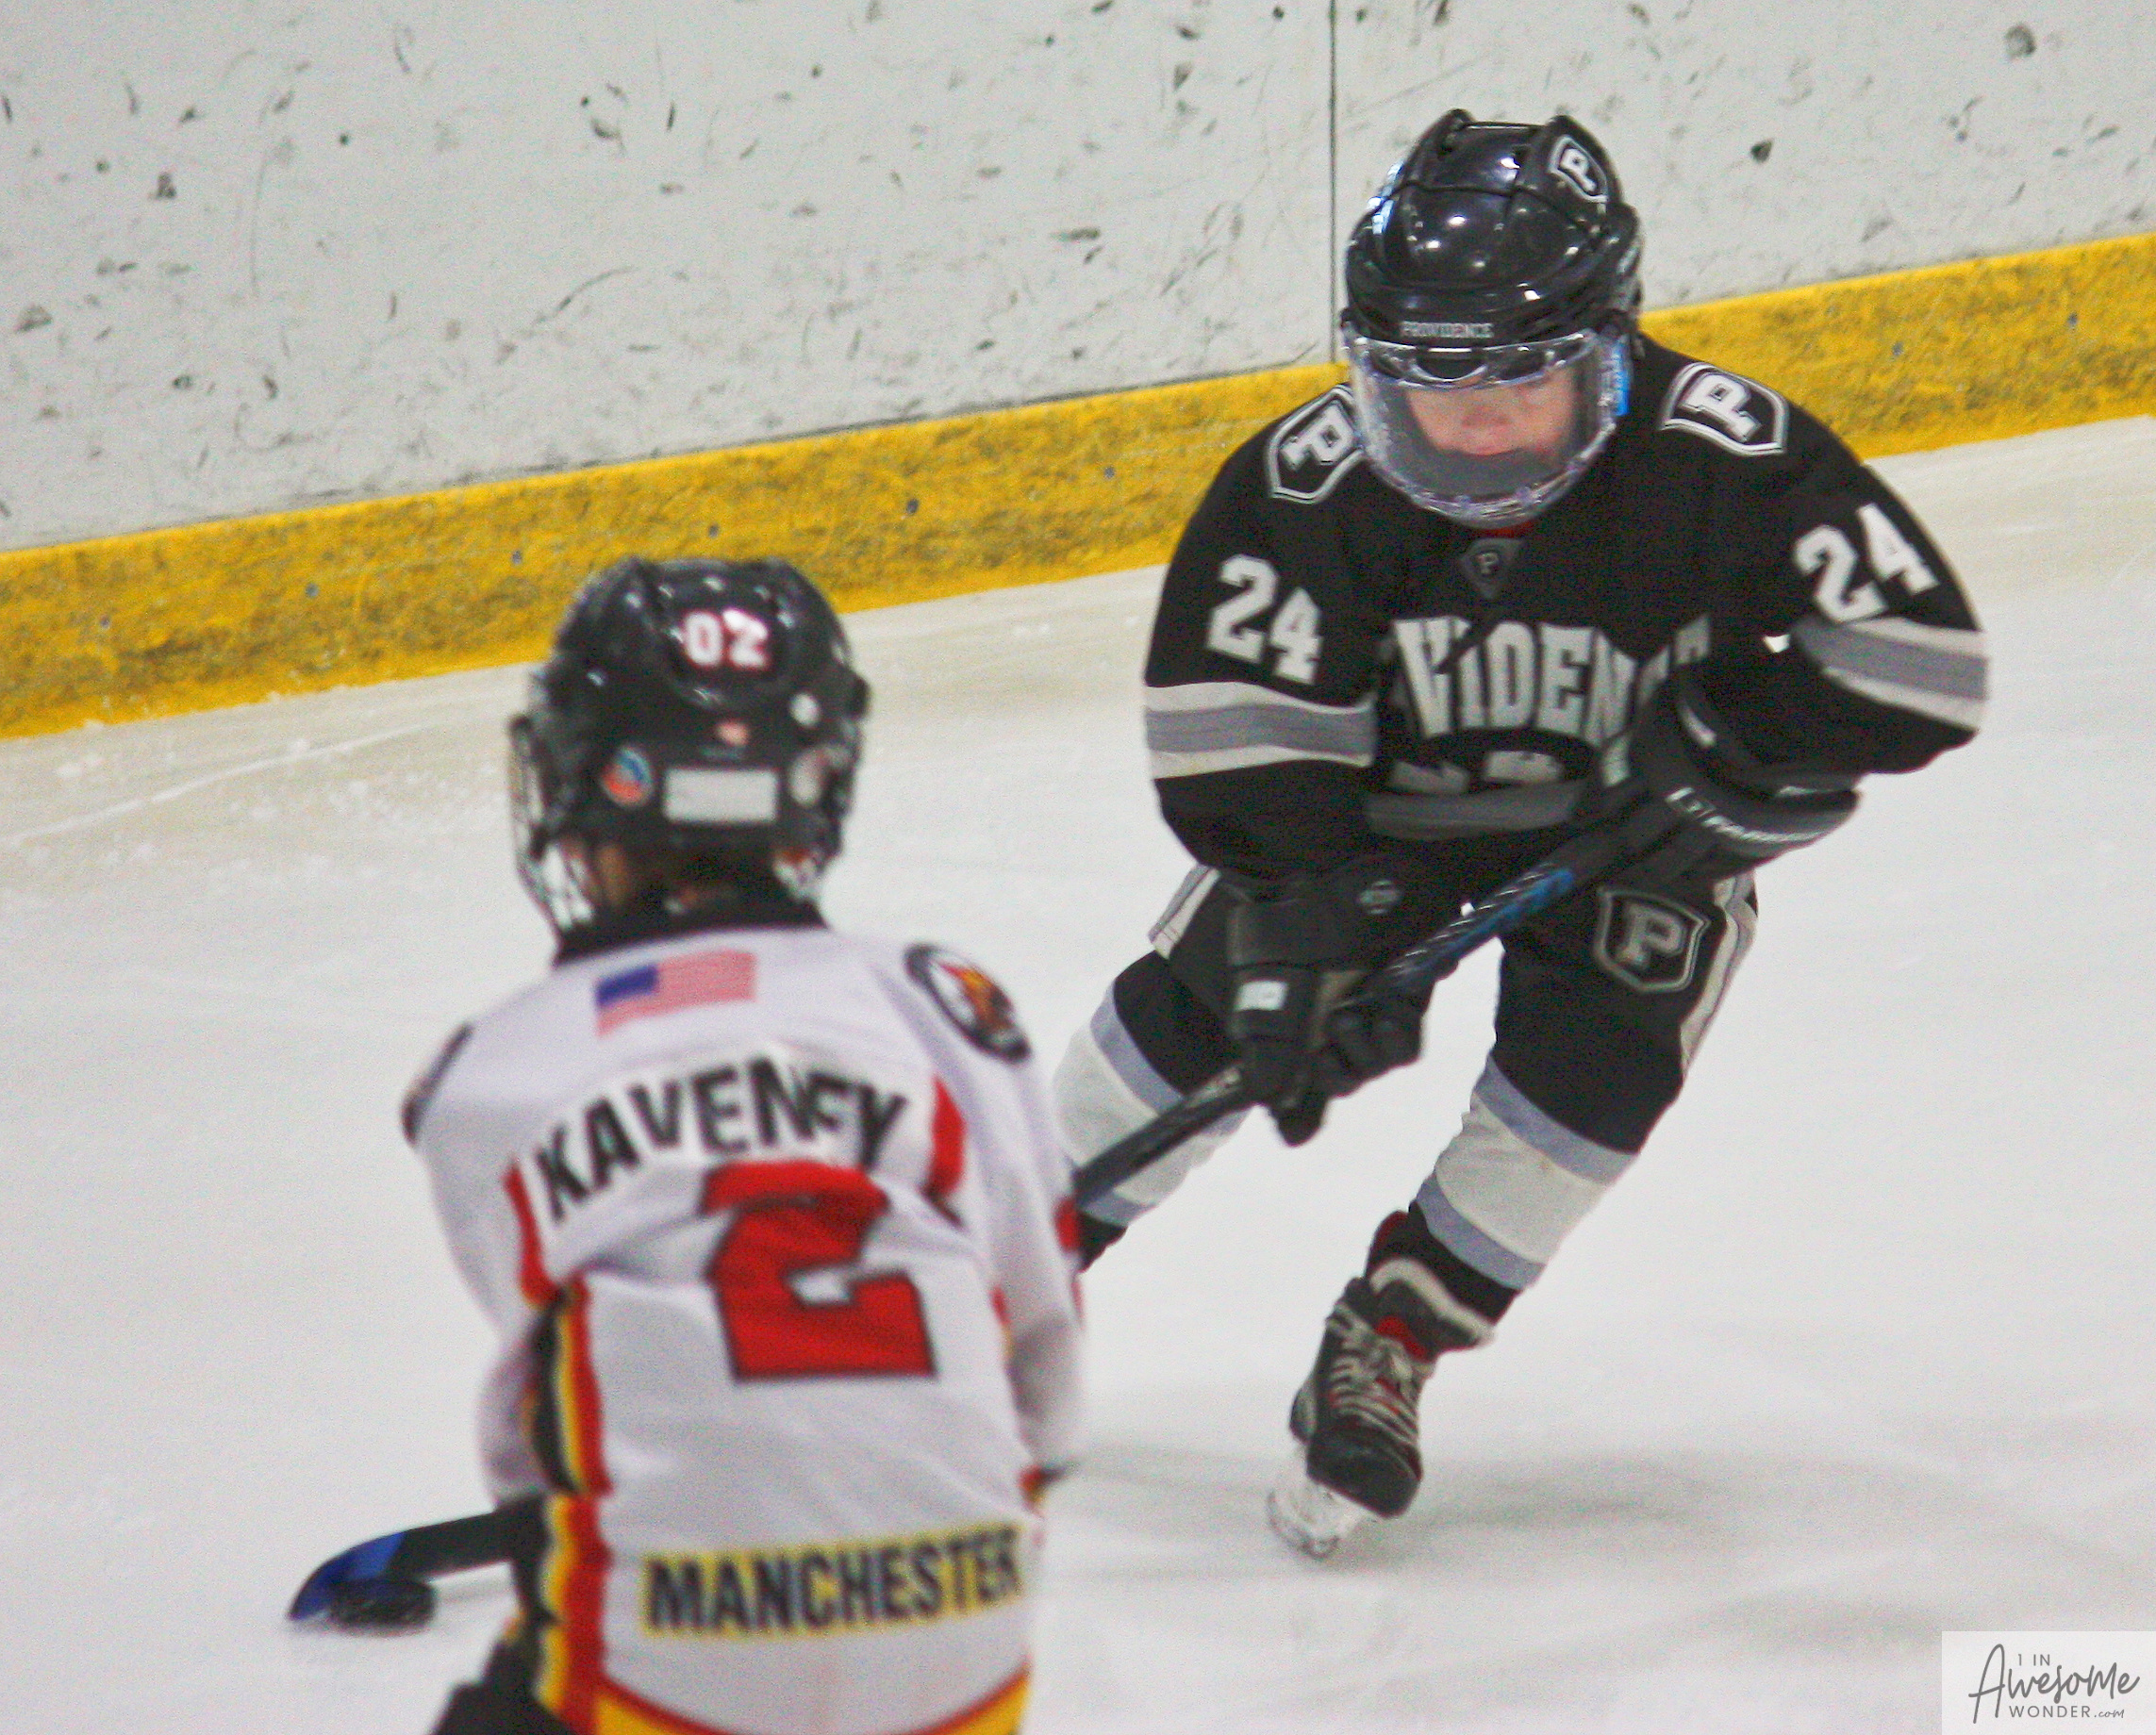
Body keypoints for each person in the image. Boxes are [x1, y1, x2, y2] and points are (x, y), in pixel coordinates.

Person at [1052, 110, 1985, 1554]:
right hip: (1377, 827)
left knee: (1594, 1077)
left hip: (1636, 839)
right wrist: (1303, 940)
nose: (1476, 423)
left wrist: (1735, 750)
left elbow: (1919, 663)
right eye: (1432, 383)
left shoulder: (1718, 452)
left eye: (1517, 377)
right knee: (1200, 1011)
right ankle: (991, 1268)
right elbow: (1232, 738)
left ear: (1607, 345)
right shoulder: (1305, 486)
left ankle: (1393, 1335)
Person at [406, 556, 1083, 1735]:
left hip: (665, 1678)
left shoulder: (488, 1073)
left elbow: (530, 1450)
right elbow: (1050, 1391)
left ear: (579, 777)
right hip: (963, 1660)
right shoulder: (944, 1010)